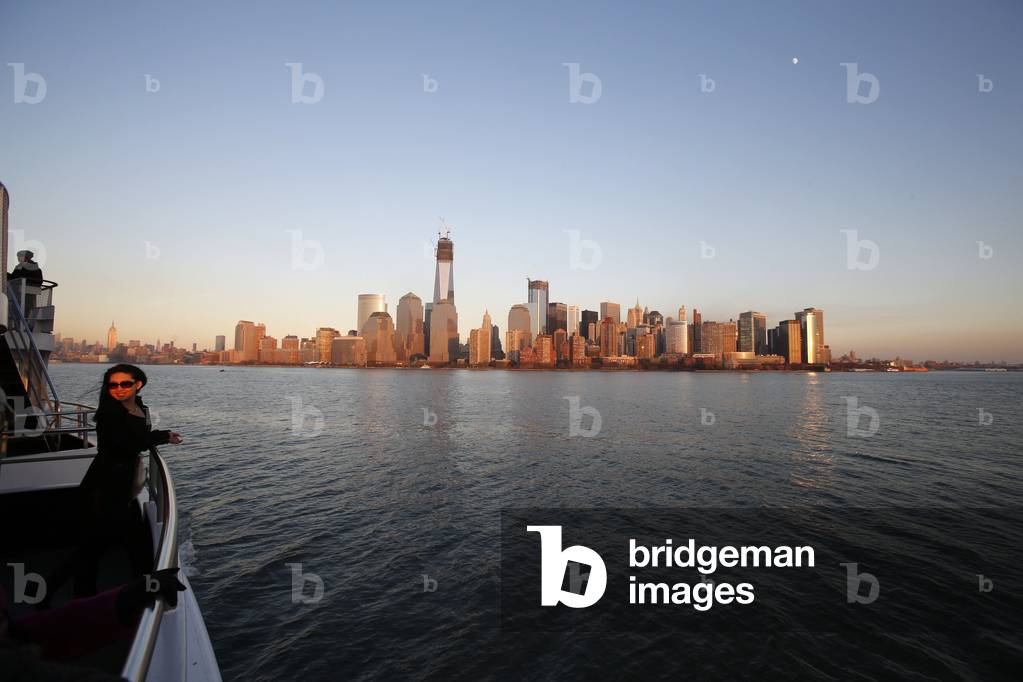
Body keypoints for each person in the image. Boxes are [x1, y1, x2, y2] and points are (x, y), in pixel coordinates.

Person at [43, 364, 183, 602]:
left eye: (125, 384)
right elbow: (125, 444)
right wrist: (161, 437)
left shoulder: (141, 407)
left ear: (138, 384)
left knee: (112, 544)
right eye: (113, 385)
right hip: (105, 486)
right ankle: (58, 593)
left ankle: (80, 593)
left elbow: (138, 436)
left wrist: (162, 434)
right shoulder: (109, 414)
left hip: (124, 485)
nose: (119, 389)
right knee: (99, 546)